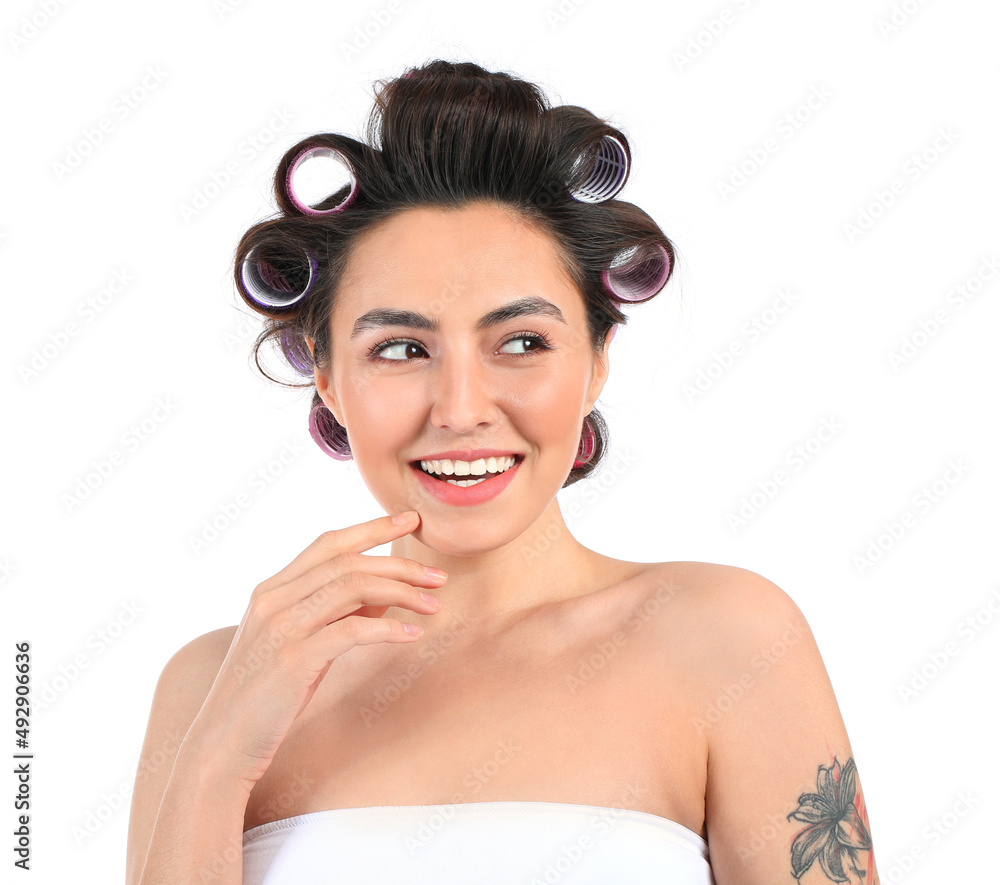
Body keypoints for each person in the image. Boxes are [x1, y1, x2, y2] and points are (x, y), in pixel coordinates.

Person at [126, 60, 881, 885]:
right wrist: (216, 762)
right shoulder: (213, 683)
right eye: (402, 349)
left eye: (521, 341)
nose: (460, 407)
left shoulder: (730, 638)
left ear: (596, 361)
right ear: (330, 380)